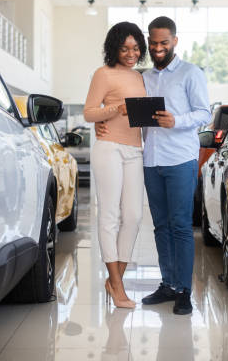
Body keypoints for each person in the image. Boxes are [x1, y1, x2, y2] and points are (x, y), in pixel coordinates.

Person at [97, 16, 211, 315]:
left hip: (180, 159)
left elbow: (203, 112)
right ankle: (169, 283)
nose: (158, 48)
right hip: (150, 160)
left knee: (181, 226)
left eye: (164, 42)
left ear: (175, 40)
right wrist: (102, 123)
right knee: (160, 226)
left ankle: (184, 290)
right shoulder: (143, 77)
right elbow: (123, 108)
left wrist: (178, 120)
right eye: (154, 42)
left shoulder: (190, 73)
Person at [84, 22, 147, 309]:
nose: (131, 53)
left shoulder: (139, 78)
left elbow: (142, 117)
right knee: (109, 215)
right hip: (109, 148)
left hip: (135, 149)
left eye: (135, 48)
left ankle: (114, 279)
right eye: (124, 48)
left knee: (133, 216)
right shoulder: (103, 73)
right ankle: (117, 284)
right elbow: (89, 113)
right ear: (114, 48)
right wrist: (114, 110)